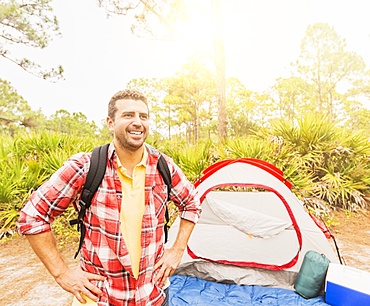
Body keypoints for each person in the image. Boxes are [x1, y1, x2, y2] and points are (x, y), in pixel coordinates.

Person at [17, 89, 202, 306]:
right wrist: (62, 274)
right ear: (110, 123)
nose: (137, 122)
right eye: (128, 115)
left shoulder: (163, 166)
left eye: (143, 116)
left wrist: (177, 251)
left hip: (154, 295)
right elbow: (33, 216)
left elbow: (191, 203)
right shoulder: (85, 167)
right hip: (101, 297)